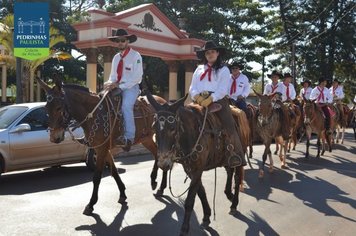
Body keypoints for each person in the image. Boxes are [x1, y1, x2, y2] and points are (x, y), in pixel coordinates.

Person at [189, 40, 246, 168]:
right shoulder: (198, 69)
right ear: (205, 55)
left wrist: (210, 99)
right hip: (198, 100)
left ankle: (235, 154)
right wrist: (197, 97)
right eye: (207, 53)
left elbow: (222, 89)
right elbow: (192, 87)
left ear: (218, 53)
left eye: (212, 52)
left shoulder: (224, 69)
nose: (210, 54)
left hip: (218, 100)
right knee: (184, 119)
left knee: (229, 125)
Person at [104, 29, 143, 152]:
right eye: (118, 41)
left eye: (122, 40)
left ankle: (129, 137)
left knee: (126, 106)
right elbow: (113, 76)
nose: (120, 43)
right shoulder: (116, 58)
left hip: (131, 87)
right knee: (101, 101)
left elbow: (137, 77)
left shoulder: (136, 56)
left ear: (127, 41)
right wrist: (110, 84)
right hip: (116, 86)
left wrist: (118, 86)